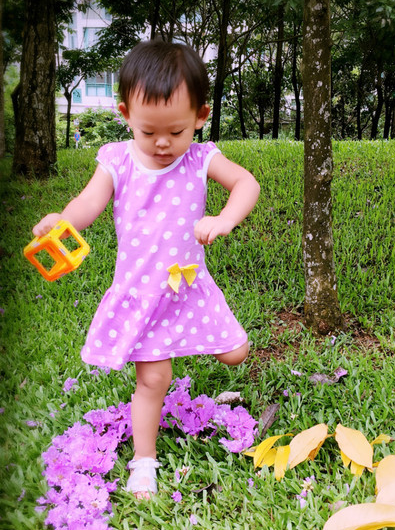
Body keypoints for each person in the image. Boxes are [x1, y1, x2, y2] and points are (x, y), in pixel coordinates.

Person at [33, 40, 260, 499]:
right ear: (125, 115)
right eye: (148, 132)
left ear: (200, 115)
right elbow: (87, 204)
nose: (162, 144)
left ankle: (180, 364)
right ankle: (144, 462)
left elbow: (245, 182)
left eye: (176, 132)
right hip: (142, 291)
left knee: (236, 353)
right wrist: (63, 220)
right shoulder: (117, 160)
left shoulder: (200, 158)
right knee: (153, 380)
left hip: (189, 285)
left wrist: (224, 218)